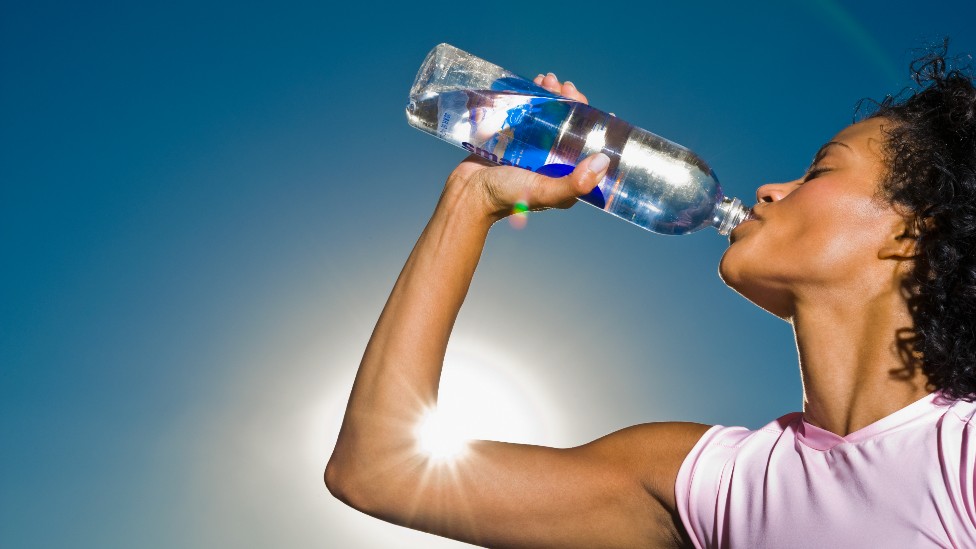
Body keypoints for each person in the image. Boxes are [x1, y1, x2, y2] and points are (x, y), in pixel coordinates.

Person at [326, 43, 976, 548]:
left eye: (822, 169)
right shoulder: (713, 481)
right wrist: (472, 198)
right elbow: (378, 468)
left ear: (914, 231)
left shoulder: (960, 453)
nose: (772, 190)